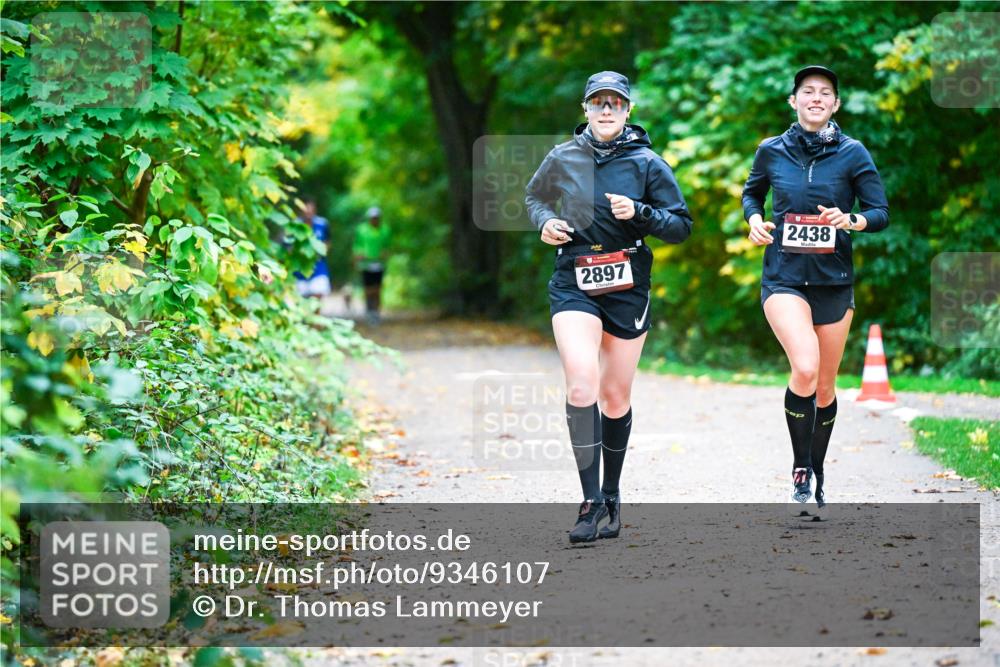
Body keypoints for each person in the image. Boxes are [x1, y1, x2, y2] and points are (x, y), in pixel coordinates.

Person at [526, 71, 693, 543]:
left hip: (627, 282)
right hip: (573, 277)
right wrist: (546, 221)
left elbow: (681, 226)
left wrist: (640, 213)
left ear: (627, 111)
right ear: (585, 110)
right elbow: (535, 198)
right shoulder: (563, 156)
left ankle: (612, 493)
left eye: (614, 103)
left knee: (615, 396)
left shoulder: (647, 163)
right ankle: (589, 501)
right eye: (597, 102)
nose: (605, 110)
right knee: (582, 385)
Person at [741, 65, 889, 516]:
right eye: (808, 91)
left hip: (833, 281)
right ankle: (800, 467)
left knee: (825, 387)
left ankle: (817, 471)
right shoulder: (771, 150)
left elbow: (879, 211)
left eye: (826, 93)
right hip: (784, 278)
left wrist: (852, 220)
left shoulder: (852, 153)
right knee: (804, 367)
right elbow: (753, 194)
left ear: (836, 105)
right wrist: (753, 220)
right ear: (794, 101)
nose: (816, 98)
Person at [352, 206, 391, 325]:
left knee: (377, 289)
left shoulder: (385, 230)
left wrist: (385, 253)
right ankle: (369, 311)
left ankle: (376, 312)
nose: (375, 220)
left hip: (379, 264)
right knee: (368, 289)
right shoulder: (361, 230)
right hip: (366, 264)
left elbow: (388, 247)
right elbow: (356, 246)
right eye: (373, 218)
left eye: (377, 218)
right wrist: (358, 256)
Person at [295, 198, 331, 299]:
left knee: (317, 298)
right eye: (305, 211)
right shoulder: (295, 225)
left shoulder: (322, 224)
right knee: (302, 303)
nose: (308, 214)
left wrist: (321, 251)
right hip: (300, 270)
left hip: (318, 267)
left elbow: (328, 241)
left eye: (310, 211)